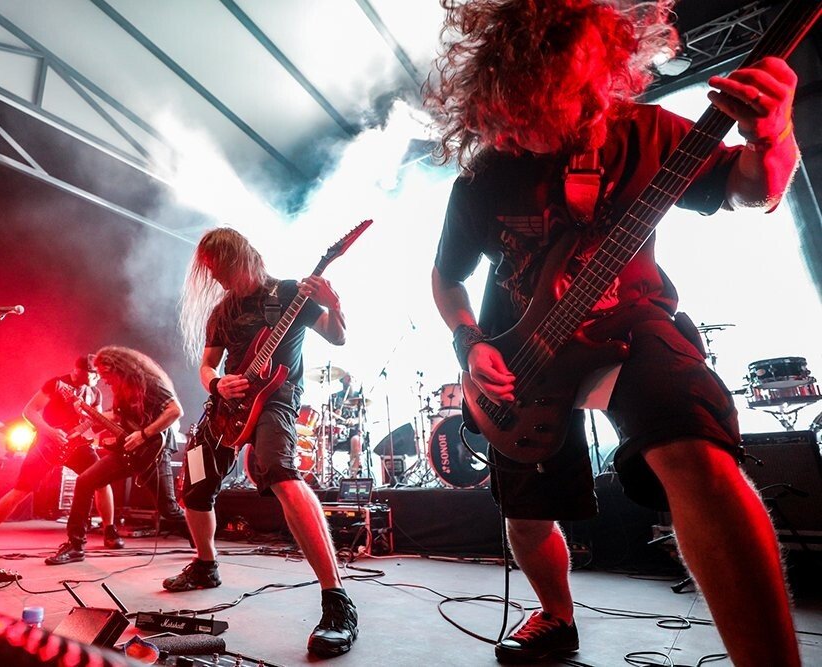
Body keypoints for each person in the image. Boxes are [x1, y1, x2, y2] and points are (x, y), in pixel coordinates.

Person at [426, 1, 801, 665]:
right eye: (509, 115)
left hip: (628, 324)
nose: (519, 131)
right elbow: (446, 278)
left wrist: (773, 141)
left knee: (695, 451)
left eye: (536, 113)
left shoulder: (647, 133)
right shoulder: (483, 178)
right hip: (518, 355)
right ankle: (556, 615)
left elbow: (749, 190)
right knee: (526, 515)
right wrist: (469, 340)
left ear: (586, 84)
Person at [177, 227, 358, 658]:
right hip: (227, 406)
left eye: (224, 269)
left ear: (244, 258)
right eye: (213, 272)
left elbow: (337, 337)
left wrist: (334, 305)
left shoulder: (292, 292)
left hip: (275, 400)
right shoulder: (222, 311)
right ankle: (206, 565)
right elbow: (207, 365)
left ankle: (337, 600)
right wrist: (217, 384)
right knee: (194, 488)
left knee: (282, 475)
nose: (219, 279)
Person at [45, 345, 186, 565]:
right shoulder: (121, 390)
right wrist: (89, 413)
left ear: (118, 368)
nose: (103, 380)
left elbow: (175, 411)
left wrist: (144, 434)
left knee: (169, 510)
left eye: (105, 374)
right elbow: (119, 418)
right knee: (85, 481)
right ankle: (75, 546)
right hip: (128, 450)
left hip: (154, 451)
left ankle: (201, 541)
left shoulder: (151, 383)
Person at [0, 355, 123, 551]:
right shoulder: (56, 384)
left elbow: (94, 425)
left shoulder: (95, 393)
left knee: (101, 481)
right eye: (94, 374)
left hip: (77, 445)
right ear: (79, 371)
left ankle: (109, 530)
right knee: (21, 489)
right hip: (46, 444)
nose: (98, 379)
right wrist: (50, 432)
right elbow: (29, 411)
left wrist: (108, 419)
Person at [329, 373, 365, 478]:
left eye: (352, 376)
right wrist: (334, 414)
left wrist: (355, 420)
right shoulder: (335, 397)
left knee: (356, 440)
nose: (350, 378)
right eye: (347, 376)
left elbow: (364, 417)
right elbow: (327, 414)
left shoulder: (359, 396)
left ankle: (354, 475)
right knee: (323, 440)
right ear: (342, 380)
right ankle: (324, 473)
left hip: (354, 429)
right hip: (338, 430)